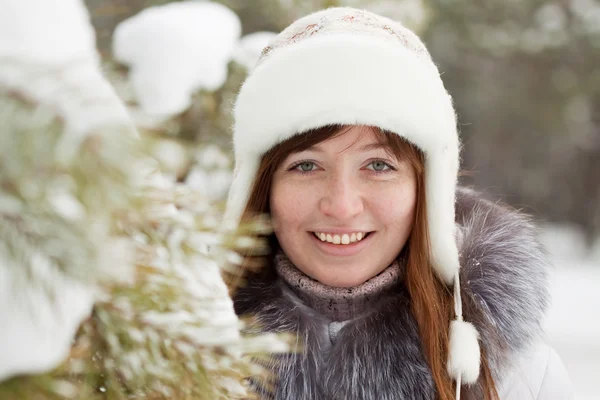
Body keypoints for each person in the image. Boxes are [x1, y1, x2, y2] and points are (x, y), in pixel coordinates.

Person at [224, 7, 573, 400]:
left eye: (378, 165)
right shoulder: (179, 350)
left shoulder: (517, 377)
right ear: (261, 185)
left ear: (426, 189)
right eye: (306, 165)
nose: (342, 206)